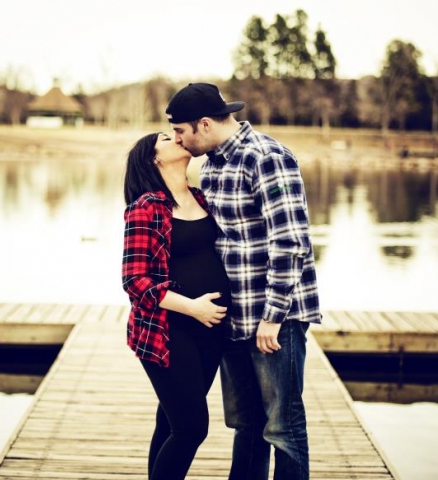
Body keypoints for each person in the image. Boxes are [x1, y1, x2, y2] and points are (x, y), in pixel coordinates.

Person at [165, 82, 322, 480]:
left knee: (282, 426)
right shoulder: (213, 162)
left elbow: (290, 242)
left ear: (203, 124)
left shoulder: (266, 157)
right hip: (234, 318)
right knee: (246, 424)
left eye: (181, 130)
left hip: (274, 319)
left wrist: (273, 317)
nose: (178, 139)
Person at [121, 131, 232, 480]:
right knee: (191, 428)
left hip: (210, 331)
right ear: (154, 159)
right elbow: (135, 281)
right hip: (168, 332)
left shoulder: (200, 197)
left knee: (170, 420)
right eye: (168, 138)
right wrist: (192, 307)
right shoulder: (146, 207)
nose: (179, 138)